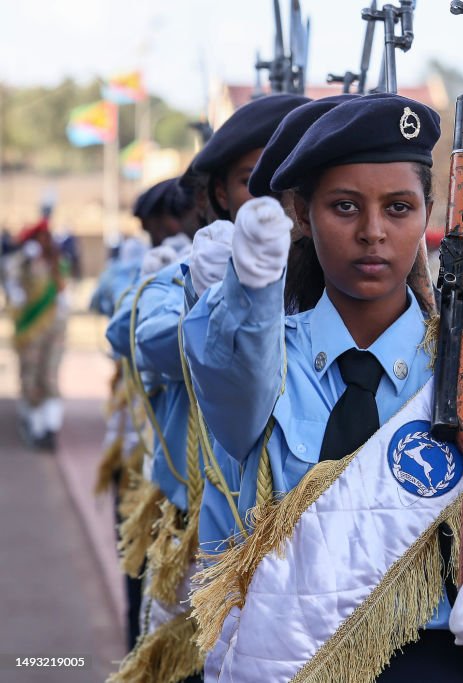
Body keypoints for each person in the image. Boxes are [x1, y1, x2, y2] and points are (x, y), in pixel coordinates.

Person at [183, 93, 463, 681]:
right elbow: (224, 375)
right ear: (299, 214)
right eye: (343, 207)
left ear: (428, 213)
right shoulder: (262, 365)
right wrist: (249, 287)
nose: (373, 233)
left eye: (398, 208)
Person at [107, 93, 309, 683]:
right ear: (218, 194)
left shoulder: (337, 295)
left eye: (289, 179)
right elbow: (143, 340)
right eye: (253, 181)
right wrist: (213, 292)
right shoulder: (188, 271)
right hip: (202, 533)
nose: (271, 201)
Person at [5, 208, 71, 451]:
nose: (43, 242)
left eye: (46, 237)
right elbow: (13, 289)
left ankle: (49, 428)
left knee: (50, 377)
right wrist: (24, 259)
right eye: (38, 238)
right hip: (30, 331)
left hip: (54, 330)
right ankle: (34, 426)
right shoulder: (20, 263)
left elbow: (64, 294)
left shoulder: (58, 263)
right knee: (31, 378)